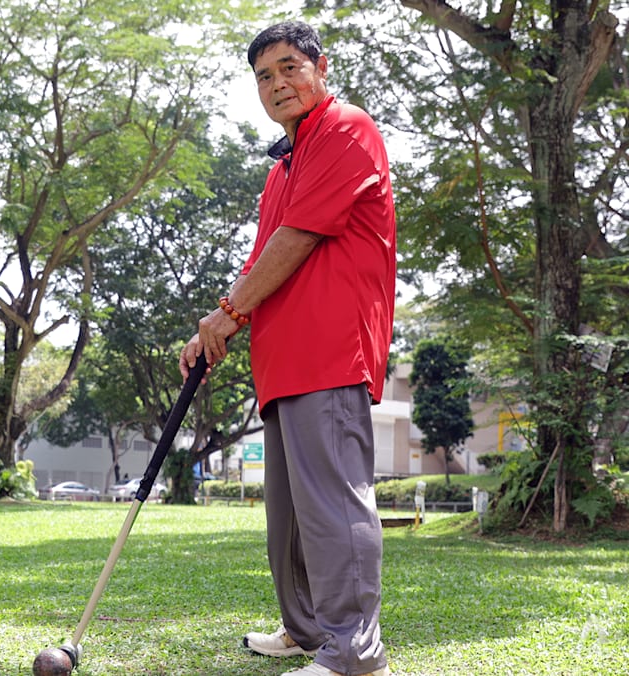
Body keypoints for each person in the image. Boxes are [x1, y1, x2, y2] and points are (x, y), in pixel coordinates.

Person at [179, 21, 395, 676]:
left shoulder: (346, 128)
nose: (279, 84)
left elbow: (299, 238)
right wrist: (215, 327)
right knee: (292, 520)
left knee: (332, 506)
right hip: (281, 362)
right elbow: (263, 258)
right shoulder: (283, 166)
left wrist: (227, 313)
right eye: (265, 76)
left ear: (319, 67)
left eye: (290, 67)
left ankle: (354, 653)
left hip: (330, 351)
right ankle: (306, 630)